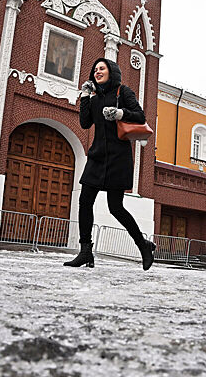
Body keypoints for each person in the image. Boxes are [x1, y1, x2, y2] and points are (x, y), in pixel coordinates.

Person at [64, 58, 156, 270]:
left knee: (116, 207)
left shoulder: (123, 92)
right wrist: (85, 96)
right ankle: (85, 251)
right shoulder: (95, 99)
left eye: (102, 68)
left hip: (118, 158)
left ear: (111, 71)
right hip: (97, 157)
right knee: (85, 201)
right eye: (95, 69)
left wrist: (120, 113)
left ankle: (142, 245)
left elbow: (140, 116)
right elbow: (85, 123)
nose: (97, 72)